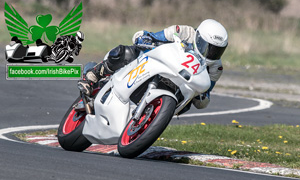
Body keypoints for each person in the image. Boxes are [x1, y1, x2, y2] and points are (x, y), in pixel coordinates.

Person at [78, 19, 228, 112]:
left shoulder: (216, 68)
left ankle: (151, 120)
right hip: (159, 67)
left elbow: (205, 96)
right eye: (208, 47)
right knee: (127, 53)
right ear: (199, 37)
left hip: (179, 88)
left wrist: (202, 97)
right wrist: (146, 38)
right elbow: (153, 36)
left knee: (188, 104)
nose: (211, 53)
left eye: (217, 50)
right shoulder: (183, 32)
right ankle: (92, 76)